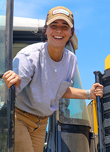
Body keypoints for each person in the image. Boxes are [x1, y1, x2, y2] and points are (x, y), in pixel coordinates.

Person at [3, 6, 103, 152]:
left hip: (41, 123)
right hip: (19, 118)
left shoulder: (71, 61)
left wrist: (89, 94)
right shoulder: (30, 55)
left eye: (64, 27)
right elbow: (16, 85)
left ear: (71, 32)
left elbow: (59, 90)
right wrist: (15, 81)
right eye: (53, 26)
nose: (58, 30)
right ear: (46, 30)